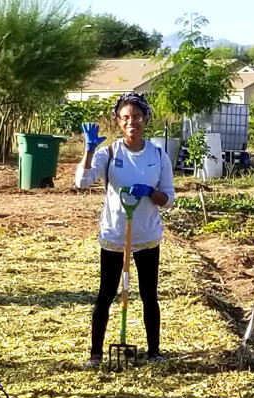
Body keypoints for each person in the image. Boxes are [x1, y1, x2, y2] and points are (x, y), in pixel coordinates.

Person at [74, 93, 176, 367]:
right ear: (118, 122)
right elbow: (82, 182)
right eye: (126, 118)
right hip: (114, 236)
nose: (132, 122)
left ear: (145, 119)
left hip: (146, 236)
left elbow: (169, 200)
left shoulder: (157, 155)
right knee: (105, 294)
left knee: (148, 295)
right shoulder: (108, 153)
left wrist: (150, 193)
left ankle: (154, 351)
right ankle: (95, 354)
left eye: (137, 117)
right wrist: (89, 150)